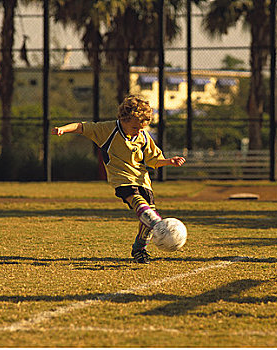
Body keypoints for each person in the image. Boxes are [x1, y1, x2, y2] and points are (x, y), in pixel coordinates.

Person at [51, 95, 186, 264]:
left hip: (142, 180)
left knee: (147, 214)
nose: (139, 130)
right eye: (135, 126)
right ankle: (158, 224)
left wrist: (169, 161)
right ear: (124, 119)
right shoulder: (107, 130)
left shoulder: (143, 136)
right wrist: (63, 129)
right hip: (121, 179)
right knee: (141, 206)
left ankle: (139, 248)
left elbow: (153, 159)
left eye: (142, 127)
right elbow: (82, 127)